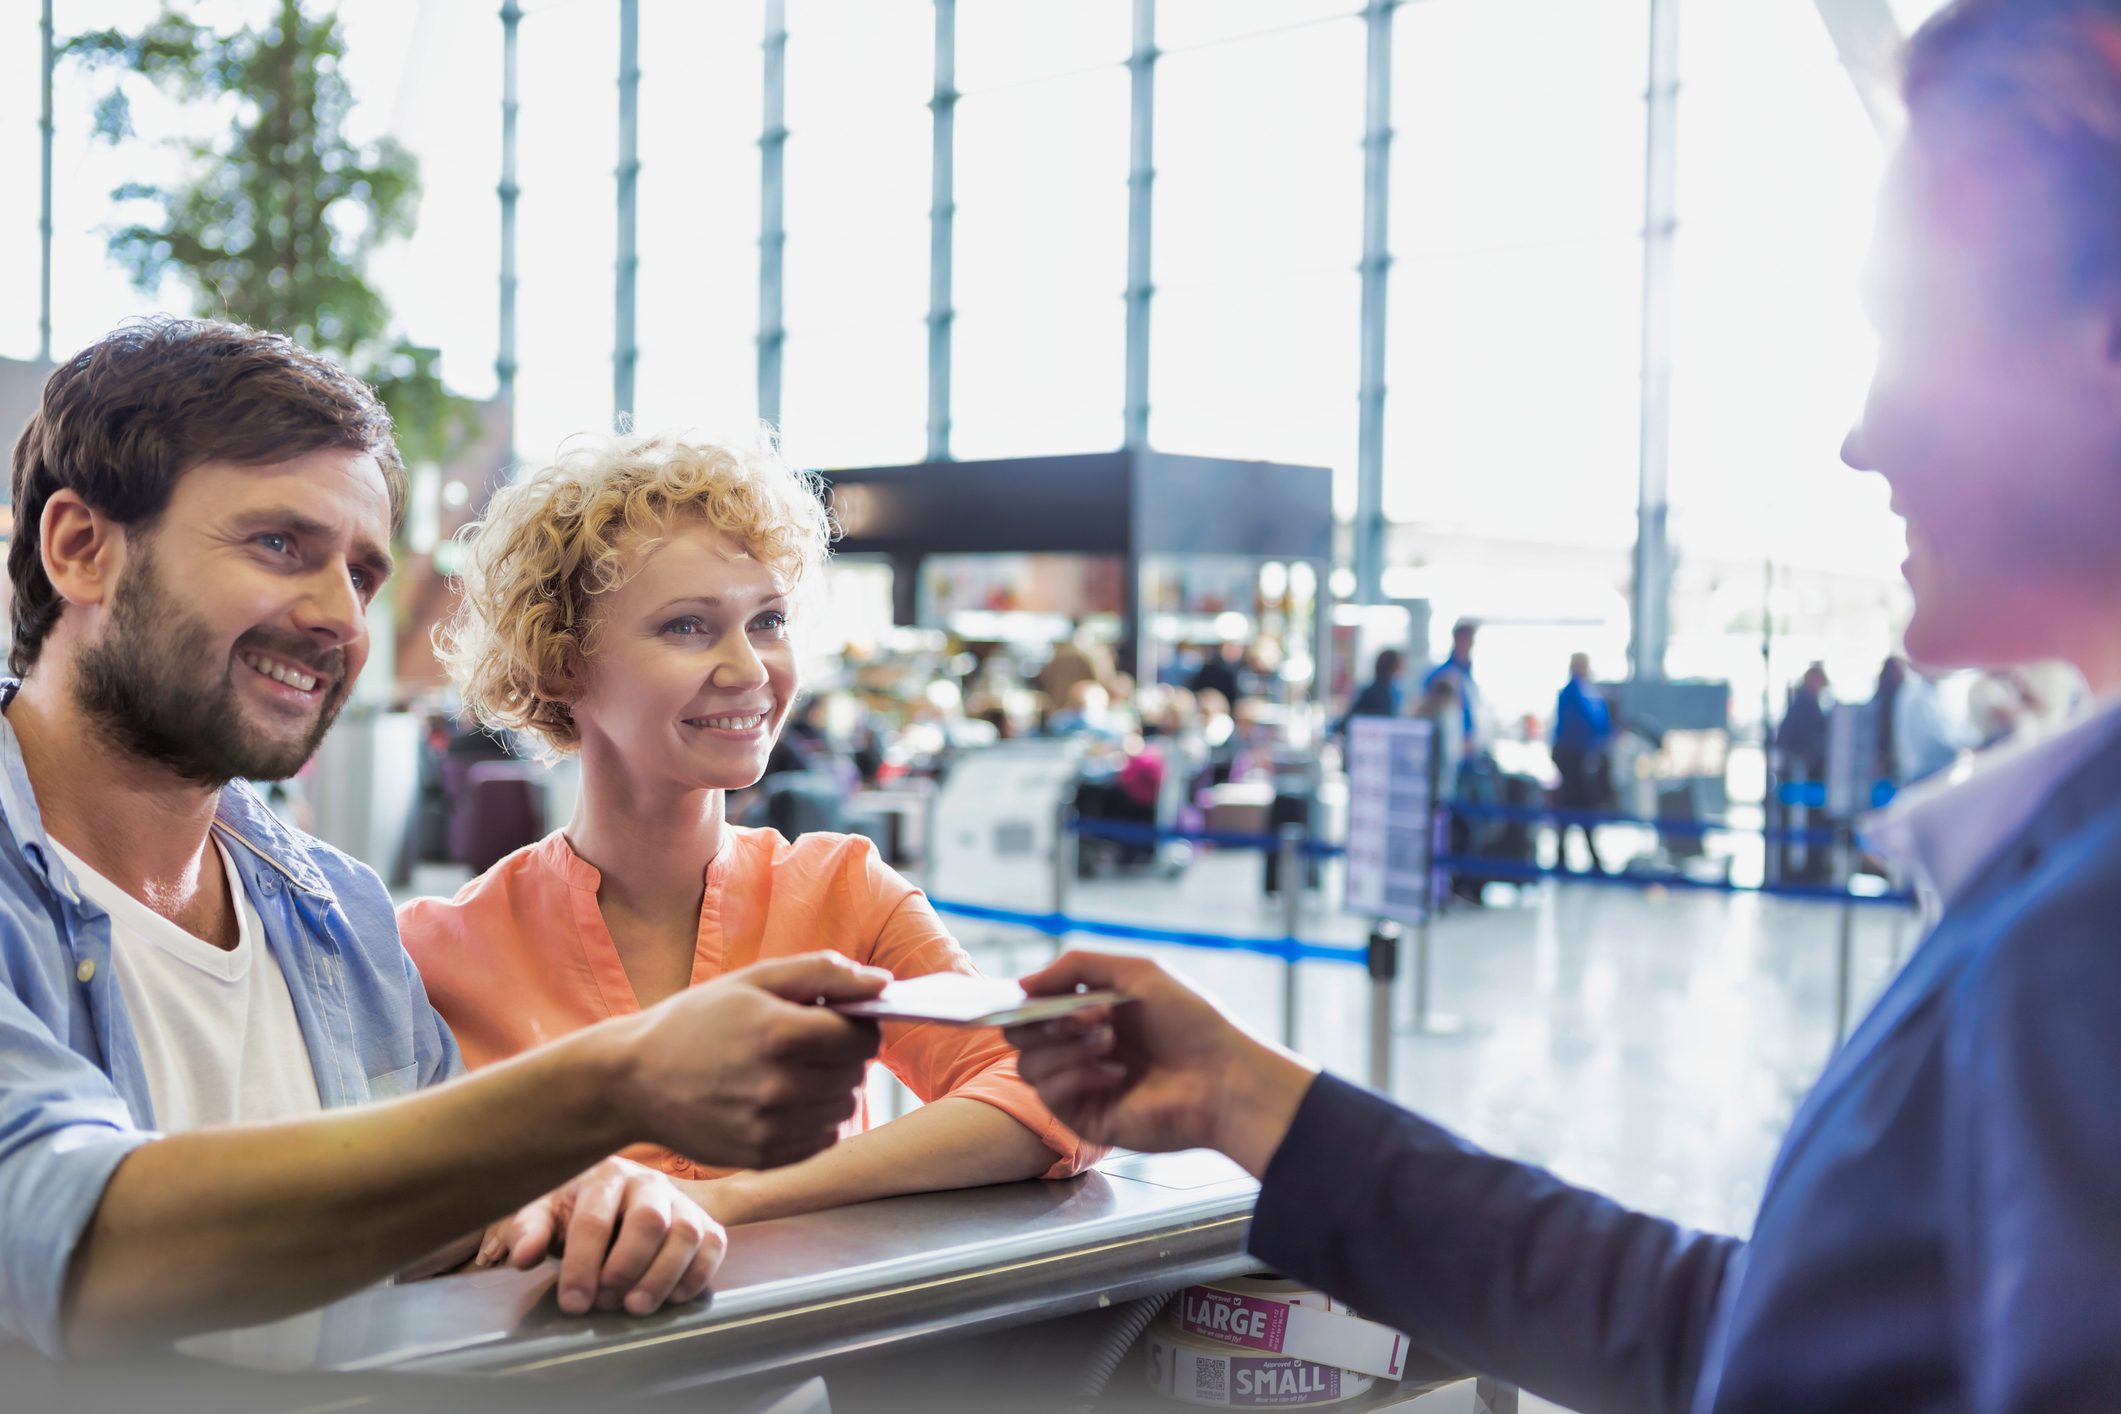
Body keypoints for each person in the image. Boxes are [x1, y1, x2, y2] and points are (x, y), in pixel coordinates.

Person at [1007, 3, 2121, 1407]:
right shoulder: (2057, 876)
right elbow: (1767, 1339)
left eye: (1918, 331)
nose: (1864, 430)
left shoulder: (2088, 923)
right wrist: (1245, 1097)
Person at [0, 319, 892, 1357]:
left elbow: (430, 1216)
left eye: (362, 574)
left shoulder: (332, 913)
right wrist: (608, 1089)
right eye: (279, 544)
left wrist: (579, 1195)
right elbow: (73, 1242)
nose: (340, 616)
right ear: (79, 547)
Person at [400, 433, 1093, 1234]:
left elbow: (1057, 1094)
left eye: (766, 621)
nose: (750, 669)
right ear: (562, 663)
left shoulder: (845, 893)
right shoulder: (437, 949)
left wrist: (733, 1199)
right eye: (687, 628)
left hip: (816, 1355)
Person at [1549, 653, 1614, 873]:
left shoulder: (1587, 691)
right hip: (1571, 757)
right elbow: (1580, 725)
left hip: (1582, 757)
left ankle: (1569, 856)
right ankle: (1582, 857)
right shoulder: (1571, 693)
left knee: (1575, 804)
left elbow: (1598, 723)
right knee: (1578, 804)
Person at [1424, 619, 1482, 750]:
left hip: (1465, 743)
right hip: (1447, 740)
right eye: (1467, 639)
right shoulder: (1441, 674)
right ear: (1457, 639)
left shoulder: (1467, 673)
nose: (1470, 644)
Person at [1337, 648, 1406, 737]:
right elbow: (1349, 721)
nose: (1402, 669)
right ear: (1392, 666)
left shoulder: (1389, 691)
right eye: (1399, 665)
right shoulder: (1375, 693)